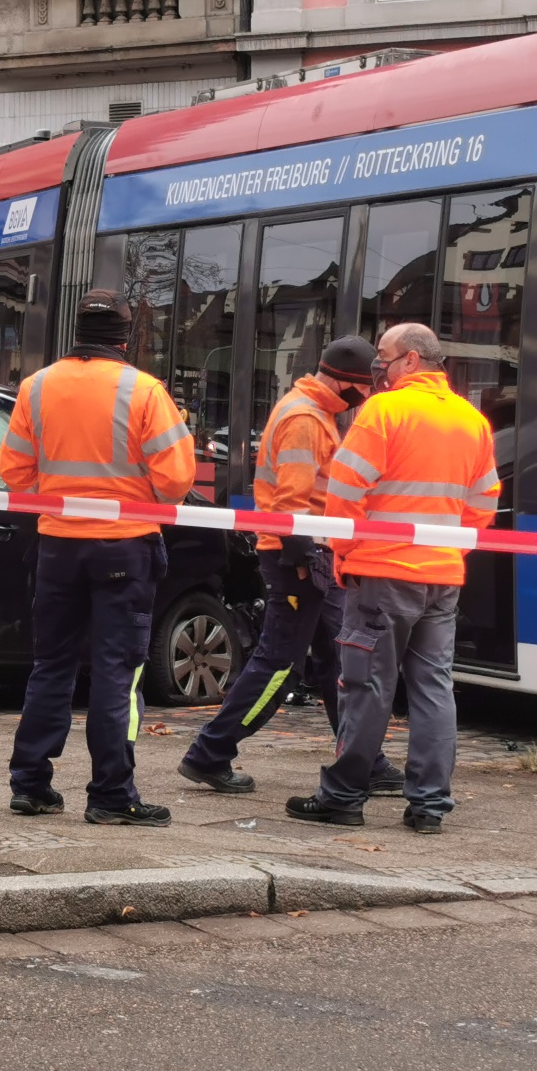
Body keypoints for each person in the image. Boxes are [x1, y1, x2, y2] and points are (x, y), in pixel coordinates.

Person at [289, 323, 499, 835]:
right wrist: (446, 544)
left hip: (381, 573)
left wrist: (343, 553)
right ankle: (429, 805)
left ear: (408, 360)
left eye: (382, 356)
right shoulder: (472, 421)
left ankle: (342, 797)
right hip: (442, 576)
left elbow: (344, 493)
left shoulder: (384, 411)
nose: (375, 367)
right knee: (434, 688)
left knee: (366, 686)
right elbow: (484, 503)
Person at [0, 289, 196, 825]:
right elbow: (176, 479)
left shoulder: (36, 387)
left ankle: (31, 784)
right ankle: (111, 795)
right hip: (125, 546)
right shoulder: (145, 391)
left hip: (58, 544)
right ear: (125, 339)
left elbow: (14, 473)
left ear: (77, 332)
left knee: (52, 665)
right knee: (117, 672)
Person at [178, 337, 403, 795]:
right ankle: (210, 752)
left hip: (307, 554)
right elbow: (291, 502)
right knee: (279, 665)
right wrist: (301, 556)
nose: (363, 398)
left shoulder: (312, 411)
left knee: (338, 661)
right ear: (341, 382)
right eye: (360, 388)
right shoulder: (306, 419)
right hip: (299, 556)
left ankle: (366, 759)